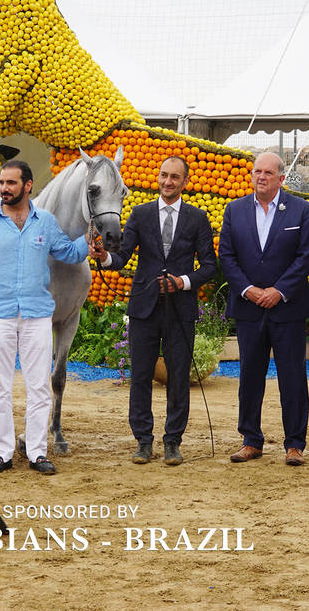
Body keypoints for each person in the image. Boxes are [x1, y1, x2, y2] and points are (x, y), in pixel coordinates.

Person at [0, 159, 88, 476]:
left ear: (27, 185)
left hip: (36, 315)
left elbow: (70, 254)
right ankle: (2, 451)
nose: (4, 188)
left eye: (11, 183)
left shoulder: (45, 222)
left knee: (38, 387)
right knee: (0, 385)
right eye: (2, 183)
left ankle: (36, 451)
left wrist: (91, 238)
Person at [88, 155, 217, 465]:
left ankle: (173, 441)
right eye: (163, 175)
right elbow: (120, 258)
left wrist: (183, 282)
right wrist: (104, 257)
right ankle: (143, 442)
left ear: (185, 182)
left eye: (174, 177)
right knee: (141, 376)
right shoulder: (140, 215)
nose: (167, 181)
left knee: (177, 378)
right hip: (144, 308)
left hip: (180, 308)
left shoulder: (198, 218)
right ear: (158, 178)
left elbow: (210, 266)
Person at [218, 152, 309, 466]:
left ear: (281, 178)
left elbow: (305, 257)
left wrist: (279, 291)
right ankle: (250, 440)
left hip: (287, 309)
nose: (261, 177)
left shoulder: (300, 210)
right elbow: (227, 256)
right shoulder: (234, 210)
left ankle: (294, 444)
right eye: (257, 171)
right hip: (249, 308)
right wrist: (249, 290)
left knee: (292, 376)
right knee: (249, 376)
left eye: (268, 173)